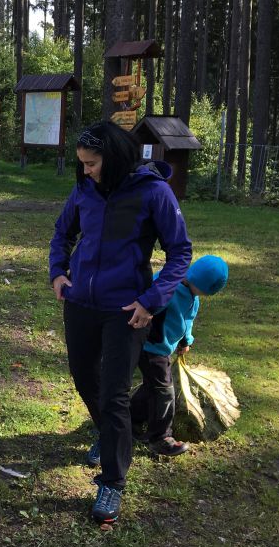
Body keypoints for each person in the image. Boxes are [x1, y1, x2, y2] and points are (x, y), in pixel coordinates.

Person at [49, 121, 192, 525]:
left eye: (91, 163)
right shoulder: (84, 190)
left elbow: (180, 252)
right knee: (83, 375)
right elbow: (62, 233)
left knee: (114, 392)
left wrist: (151, 301)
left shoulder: (153, 192)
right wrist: (58, 272)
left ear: (112, 160)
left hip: (127, 311)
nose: (86, 170)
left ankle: (112, 481)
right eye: (82, 163)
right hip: (80, 304)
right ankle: (109, 433)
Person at [130, 254, 229, 457]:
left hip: (163, 348)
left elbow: (187, 319)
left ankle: (130, 417)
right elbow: (143, 305)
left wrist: (185, 340)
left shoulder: (193, 295)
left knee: (153, 386)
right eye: (203, 291)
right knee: (165, 391)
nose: (201, 295)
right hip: (151, 347)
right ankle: (160, 437)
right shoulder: (166, 287)